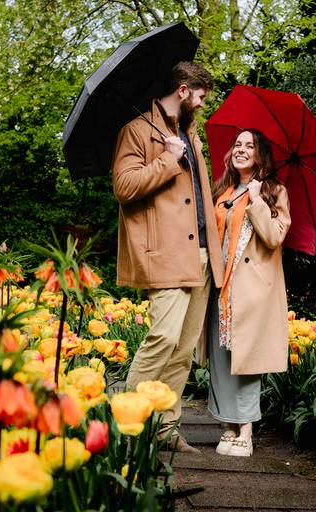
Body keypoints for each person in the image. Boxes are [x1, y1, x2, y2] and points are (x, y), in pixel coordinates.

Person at [111, 61, 224, 453]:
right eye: (200, 97)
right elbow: (124, 187)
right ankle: (127, 425)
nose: (202, 105)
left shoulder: (187, 133)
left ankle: (165, 428)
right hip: (164, 254)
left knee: (184, 351)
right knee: (162, 337)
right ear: (182, 91)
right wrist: (167, 159)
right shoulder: (137, 130)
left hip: (202, 254)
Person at [206, 129, 291, 457]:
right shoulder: (223, 189)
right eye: (237, 144)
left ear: (260, 155)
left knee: (246, 359)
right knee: (221, 354)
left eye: (249, 145)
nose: (241, 150)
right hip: (219, 285)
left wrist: (256, 200)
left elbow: (274, 237)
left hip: (251, 288)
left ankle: (246, 430)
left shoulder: (274, 192)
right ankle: (227, 424)